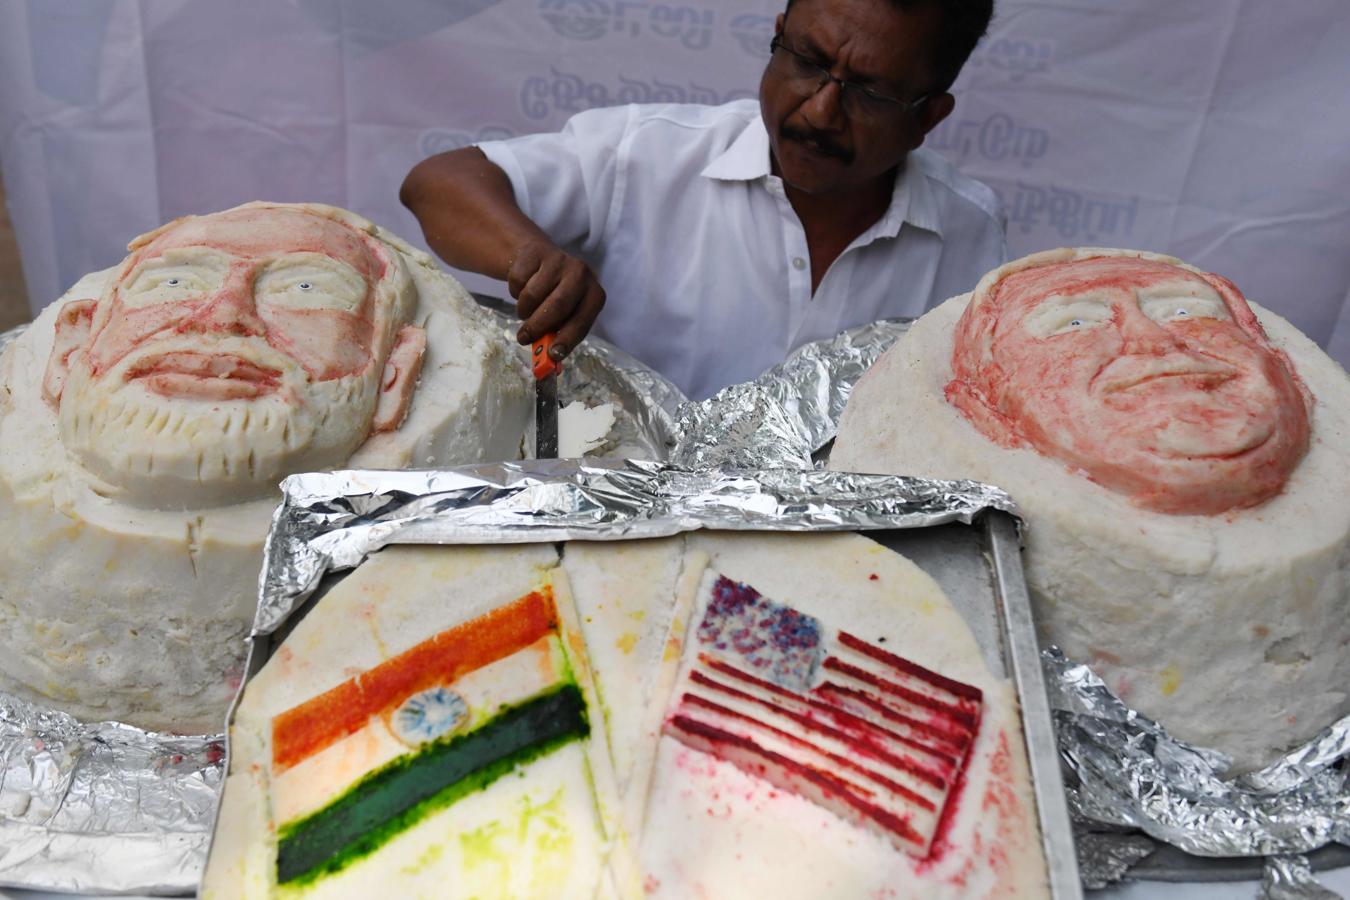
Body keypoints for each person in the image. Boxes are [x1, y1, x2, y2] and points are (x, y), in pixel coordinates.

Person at [401, 0, 1003, 400]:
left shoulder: (970, 231)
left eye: (868, 91)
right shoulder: (649, 153)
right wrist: (532, 255)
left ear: (928, 117)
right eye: (808, 62)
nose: (820, 111)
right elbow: (440, 183)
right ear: (776, 39)